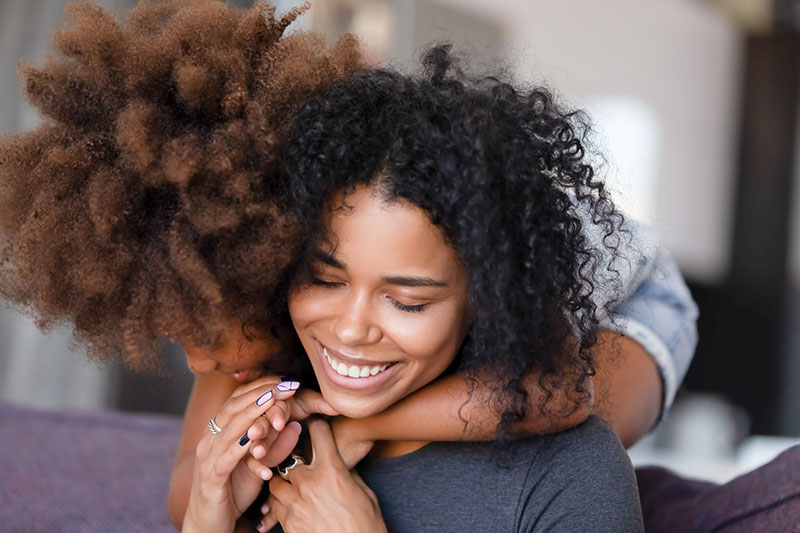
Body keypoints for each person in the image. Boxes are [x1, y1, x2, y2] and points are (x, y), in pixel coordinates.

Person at [0, 0, 697, 529]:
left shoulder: (381, 243)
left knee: (579, 408)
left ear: (271, 259)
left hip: (629, 290)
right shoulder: (251, 314)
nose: (198, 359)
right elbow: (190, 488)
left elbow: (559, 393)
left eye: (209, 337)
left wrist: (359, 426)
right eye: (328, 280)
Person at [184, 50, 647, 531]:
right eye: (324, 279)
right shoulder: (275, 443)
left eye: (408, 301)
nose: (351, 329)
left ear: (484, 296)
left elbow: (562, 388)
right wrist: (206, 517)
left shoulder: (567, 474)